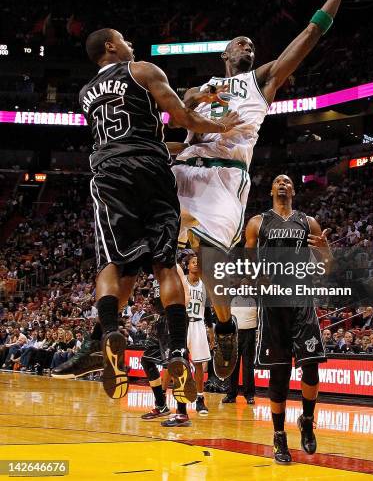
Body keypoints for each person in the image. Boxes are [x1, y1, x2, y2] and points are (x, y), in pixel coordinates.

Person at [51, 28, 241, 401]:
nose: (131, 45)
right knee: (165, 266)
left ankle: (106, 335)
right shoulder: (141, 70)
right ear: (111, 46)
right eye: (124, 40)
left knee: (113, 264)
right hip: (152, 170)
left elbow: (143, 125)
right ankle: (174, 353)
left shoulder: (85, 94)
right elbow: (183, 118)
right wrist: (220, 126)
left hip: (110, 173)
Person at [172, 0, 347, 379]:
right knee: (143, 213)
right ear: (225, 54)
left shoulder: (261, 82)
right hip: (184, 166)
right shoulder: (202, 88)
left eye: (251, 44)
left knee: (213, 263)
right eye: (239, 43)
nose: (246, 46)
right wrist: (197, 107)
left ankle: (225, 327)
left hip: (224, 174)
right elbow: (179, 111)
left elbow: (309, 35)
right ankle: (127, 328)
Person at [245, 174, 333, 463]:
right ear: (271, 189)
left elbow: (327, 267)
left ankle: (307, 420)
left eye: (287, 181)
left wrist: (325, 249)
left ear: (293, 190)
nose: (282, 183)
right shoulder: (258, 222)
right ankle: (279, 436)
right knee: (279, 373)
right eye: (278, 181)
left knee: (310, 368)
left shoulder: (309, 222)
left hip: (301, 299)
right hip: (272, 304)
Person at [162, 253, 213, 427]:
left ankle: (200, 399)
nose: (196, 265)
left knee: (198, 365)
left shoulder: (204, 285)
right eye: (193, 262)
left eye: (198, 262)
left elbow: (207, 310)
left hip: (198, 324)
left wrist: (211, 328)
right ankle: (161, 399)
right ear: (187, 266)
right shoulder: (180, 281)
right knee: (174, 362)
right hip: (183, 324)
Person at [140, 266, 188, 422]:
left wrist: (177, 318)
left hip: (172, 319)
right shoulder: (155, 270)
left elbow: (185, 295)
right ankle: (161, 405)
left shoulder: (175, 267)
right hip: (160, 319)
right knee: (146, 360)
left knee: (175, 365)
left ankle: (182, 412)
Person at [223, 278, 257, 404]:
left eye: (247, 285)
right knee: (233, 366)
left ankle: (249, 395)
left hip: (250, 334)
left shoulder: (255, 300)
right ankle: (231, 395)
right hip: (235, 334)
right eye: (243, 285)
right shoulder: (234, 300)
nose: (245, 287)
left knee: (248, 365)